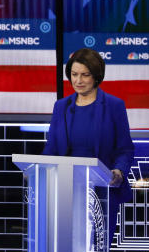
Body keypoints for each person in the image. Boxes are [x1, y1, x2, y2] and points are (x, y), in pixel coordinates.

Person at [43, 47, 133, 241]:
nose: (78, 80)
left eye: (85, 75)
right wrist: (40, 170)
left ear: (96, 76)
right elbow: (51, 148)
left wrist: (118, 171)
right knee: (66, 245)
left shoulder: (114, 106)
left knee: (97, 249)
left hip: (102, 189)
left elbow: (125, 148)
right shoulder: (62, 106)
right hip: (66, 188)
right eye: (74, 74)